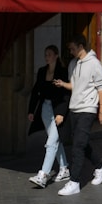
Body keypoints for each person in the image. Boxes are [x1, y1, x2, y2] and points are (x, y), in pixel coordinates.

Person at [54, 35, 102, 196]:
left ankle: (74, 182)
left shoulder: (94, 63)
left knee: (78, 146)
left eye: (72, 48)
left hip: (88, 109)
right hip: (74, 109)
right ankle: (100, 167)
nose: (70, 51)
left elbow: (100, 87)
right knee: (81, 143)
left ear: (80, 46)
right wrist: (63, 84)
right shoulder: (73, 64)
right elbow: (74, 85)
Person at [27, 45, 71, 189]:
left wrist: (61, 113)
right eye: (45, 54)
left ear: (56, 55)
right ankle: (64, 168)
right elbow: (35, 92)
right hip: (45, 110)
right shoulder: (42, 71)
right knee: (55, 140)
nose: (47, 57)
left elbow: (66, 94)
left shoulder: (62, 71)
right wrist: (31, 111)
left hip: (58, 110)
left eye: (49, 54)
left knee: (51, 142)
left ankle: (43, 175)